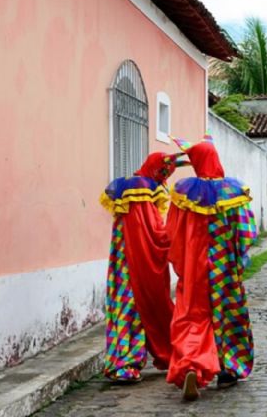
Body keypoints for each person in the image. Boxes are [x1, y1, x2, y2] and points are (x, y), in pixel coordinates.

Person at [165, 136, 258, 401]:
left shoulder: (184, 193)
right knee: (228, 314)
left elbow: (171, 233)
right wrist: (238, 256)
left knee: (192, 315)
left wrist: (182, 260)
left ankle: (192, 364)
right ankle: (229, 369)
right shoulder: (233, 192)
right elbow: (247, 232)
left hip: (194, 268)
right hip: (224, 268)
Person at [99, 151, 184, 382]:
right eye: (164, 172)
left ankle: (123, 362)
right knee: (133, 308)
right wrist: (177, 236)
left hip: (121, 261)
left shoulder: (126, 187)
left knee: (124, 306)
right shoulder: (143, 190)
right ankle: (126, 364)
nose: (164, 177)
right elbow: (150, 231)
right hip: (135, 262)